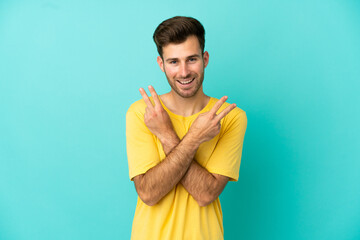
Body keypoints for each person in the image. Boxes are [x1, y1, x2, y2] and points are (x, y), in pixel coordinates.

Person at [126, 16, 247, 240]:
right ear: (161, 64)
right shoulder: (143, 113)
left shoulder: (230, 118)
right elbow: (148, 193)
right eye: (173, 62)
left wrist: (167, 135)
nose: (183, 72)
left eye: (191, 59)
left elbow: (206, 193)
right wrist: (193, 139)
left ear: (205, 58)